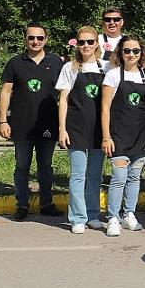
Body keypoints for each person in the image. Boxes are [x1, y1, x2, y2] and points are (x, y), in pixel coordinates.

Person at [0, 24, 64, 221]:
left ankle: (46, 203)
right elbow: (6, 92)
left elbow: (65, 94)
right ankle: (22, 205)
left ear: (46, 39)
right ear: (25, 39)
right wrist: (2, 121)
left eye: (40, 38)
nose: (35, 41)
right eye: (31, 38)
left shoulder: (56, 62)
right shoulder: (15, 63)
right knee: (22, 166)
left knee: (45, 165)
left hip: (48, 124)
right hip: (21, 125)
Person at [101, 35, 145, 237]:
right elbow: (105, 108)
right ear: (120, 53)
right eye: (127, 51)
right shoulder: (114, 75)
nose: (131, 54)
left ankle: (129, 214)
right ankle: (113, 218)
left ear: (141, 53)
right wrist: (106, 136)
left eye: (135, 50)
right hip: (119, 135)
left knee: (134, 177)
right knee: (118, 178)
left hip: (141, 134)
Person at [57, 27, 108, 233]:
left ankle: (93, 214)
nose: (86, 46)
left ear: (97, 43)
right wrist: (62, 129)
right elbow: (63, 100)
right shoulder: (69, 68)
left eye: (90, 42)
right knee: (78, 174)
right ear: (76, 44)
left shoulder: (106, 67)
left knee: (95, 175)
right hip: (75, 128)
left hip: (99, 130)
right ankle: (77, 217)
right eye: (82, 42)